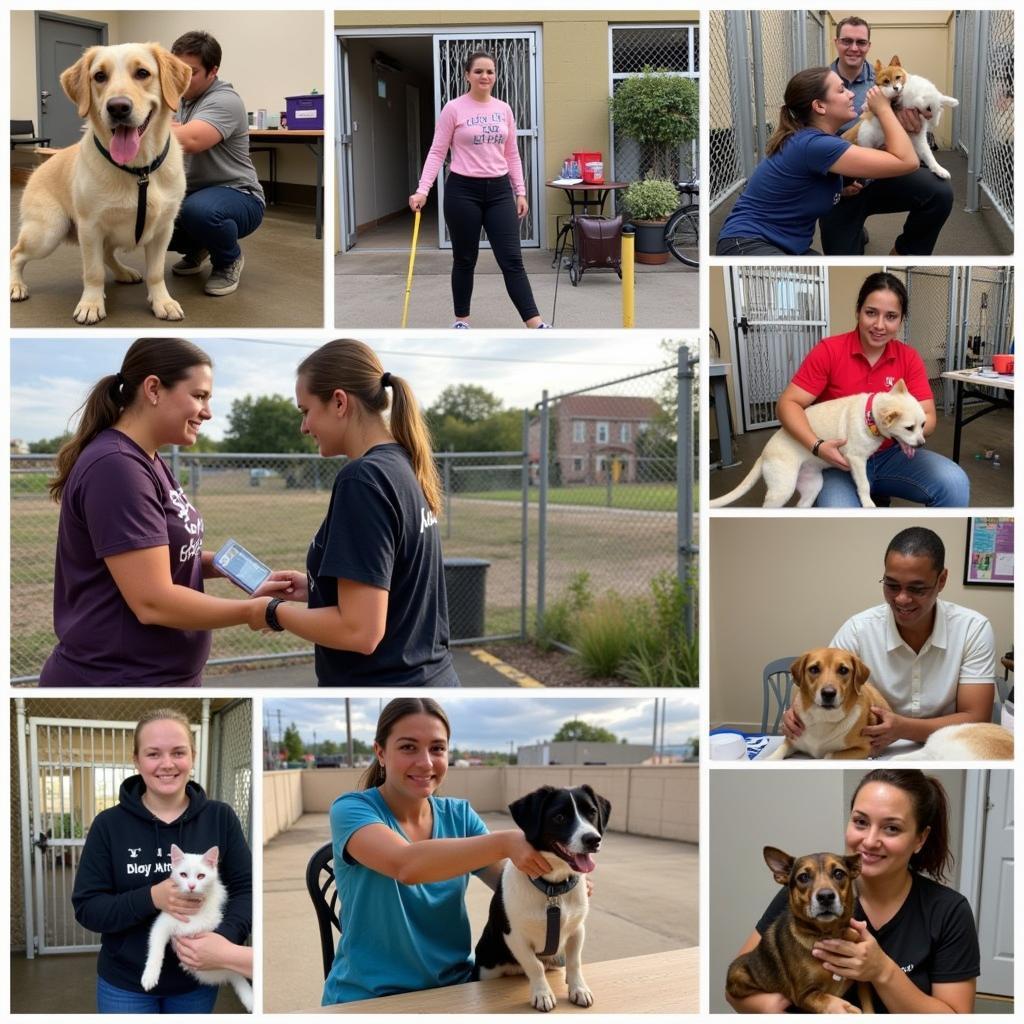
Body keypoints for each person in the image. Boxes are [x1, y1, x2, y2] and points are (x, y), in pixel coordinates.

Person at [41, 337, 271, 686]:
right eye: (199, 396)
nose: (207, 412)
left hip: (158, 676)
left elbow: (164, 557)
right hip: (117, 679)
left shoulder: (146, 458)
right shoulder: (117, 466)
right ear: (153, 389)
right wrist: (255, 611)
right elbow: (153, 601)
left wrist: (236, 571)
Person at [248, 339, 459, 686]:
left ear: (340, 402)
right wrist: (316, 588)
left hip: (389, 682)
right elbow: (394, 583)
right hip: (431, 676)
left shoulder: (362, 479)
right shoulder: (404, 464)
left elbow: (360, 631)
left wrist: (272, 612)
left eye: (306, 411)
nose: (304, 427)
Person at [321, 698, 553, 1004]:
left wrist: (557, 883)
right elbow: (406, 866)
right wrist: (505, 841)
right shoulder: (351, 808)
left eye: (437, 748)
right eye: (408, 747)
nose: (426, 762)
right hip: (368, 997)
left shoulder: (460, 815)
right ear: (380, 752)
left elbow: (512, 888)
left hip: (455, 988)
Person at [725, 769, 979, 1013]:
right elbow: (736, 987)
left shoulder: (948, 912)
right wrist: (767, 1008)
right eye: (860, 822)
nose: (869, 841)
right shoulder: (802, 898)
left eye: (892, 828)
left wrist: (883, 972)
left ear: (920, 839)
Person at [72, 709, 252, 1013]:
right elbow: (88, 908)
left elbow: (246, 889)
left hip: (195, 983)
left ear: (192, 756)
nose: (167, 764)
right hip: (125, 983)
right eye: (153, 754)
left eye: (178, 752)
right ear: (137, 760)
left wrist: (222, 940)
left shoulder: (220, 817)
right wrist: (151, 897)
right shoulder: (108, 825)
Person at [784, 527, 996, 755]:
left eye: (917, 588)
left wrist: (903, 728)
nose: (902, 599)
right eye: (892, 585)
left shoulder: (973, 629)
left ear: (941, 580)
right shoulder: (858, 629)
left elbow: (976, 718)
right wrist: (794, 711)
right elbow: (823, 680)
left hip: (950, 747)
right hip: (877, 750)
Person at [774, 272, 970, 507]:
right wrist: (817, 446)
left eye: (891, 316)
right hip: (839, 460)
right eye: (871, 313)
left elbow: (928, 417)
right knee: (838, 510)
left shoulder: (908, 358)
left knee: (954, 482)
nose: (879, 325)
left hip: (892, 455)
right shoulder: (829, 351)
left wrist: (902, 431)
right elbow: (788, 404)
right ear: (858, 312)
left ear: (901, 320)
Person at [408, 50, 550, 329]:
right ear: (467, 75)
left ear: (495, 76)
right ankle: (461, 321)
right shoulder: (454, 108)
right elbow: (437, 152)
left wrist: (520, 191)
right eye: (478, 71)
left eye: (490, 72)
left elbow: (512, 154)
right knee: (464, 258)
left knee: (512, 260)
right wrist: (423, 189)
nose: (485, 76)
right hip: (463, 191)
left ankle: (536, 325)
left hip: (499, 192)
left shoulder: (503, 109)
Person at [716, 66, 917, 256]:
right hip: (747, 244)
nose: (851, 94)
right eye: (841, 90)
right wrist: (882, 109)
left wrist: (841, 190)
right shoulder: (815, 145)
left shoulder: (815, 141)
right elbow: (907, 161)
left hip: (789, 247)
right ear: (819, 106)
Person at [818, 17, 955, 256]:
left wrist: (916, 124)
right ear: (836, 41)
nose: (854, 47)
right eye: (847, 41)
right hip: (842, 179)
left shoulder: (891, 77)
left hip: (886, 171)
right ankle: (855, 228)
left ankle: (904, 252)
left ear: (869, 45)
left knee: (940, 193)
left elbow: (923, 114)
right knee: (842, 254)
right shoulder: (819, 81)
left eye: (861, 42)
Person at [168, 31, 265, 296]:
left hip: (239, 196)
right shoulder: (178, 100)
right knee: (145, 220)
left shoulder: (225, 100)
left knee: (199, 212)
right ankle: (201, 246)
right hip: (192, 195)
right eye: (176, 69)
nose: (181, 78)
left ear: (213, 71)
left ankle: (228, 259)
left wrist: (158, 127)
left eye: (191, 72)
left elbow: (190, 140)